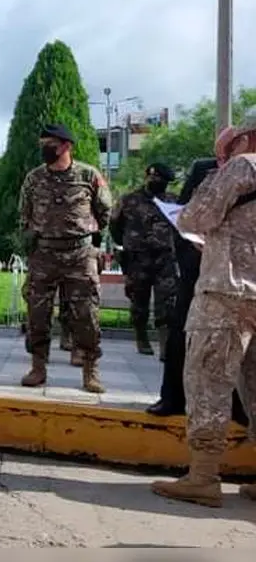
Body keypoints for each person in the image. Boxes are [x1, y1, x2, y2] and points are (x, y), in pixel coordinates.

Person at [151, 116, 256, 508]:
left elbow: (195, 217)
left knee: (209, 378)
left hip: (226, 292)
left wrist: (226, 165)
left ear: (244, 138)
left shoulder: (245, 165)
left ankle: (203, 476)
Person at [147, 158, 249, 423]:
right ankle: (172, 397)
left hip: (243, 271)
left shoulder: (247, 169)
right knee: (182, 330)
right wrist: (190, 248)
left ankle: (239, 408)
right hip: (199, 266)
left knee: (241, 346)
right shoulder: (203, 169)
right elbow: (183, 216)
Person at [19, 124, 111, 393]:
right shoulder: (34, 178)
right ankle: (38, 367)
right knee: (38, 313)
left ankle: (90, 370)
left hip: (79, 255)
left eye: (52, 144)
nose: (46, 149)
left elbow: (105, 211)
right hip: (44, 254)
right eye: (43, 143)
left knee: (86, 314)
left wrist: (93, 243)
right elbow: (24, 214)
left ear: (66, 146)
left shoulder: (88, 175)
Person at [109, 162, 179, 356]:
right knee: (138, 300)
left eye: (162, 180)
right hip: (137, 257)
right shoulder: (129, 200)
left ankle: (165, 344)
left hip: (165, 257)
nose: (157, 182)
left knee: (167, 302)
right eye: (154, 178)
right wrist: (127, 243)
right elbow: (115, 225)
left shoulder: (173, 200)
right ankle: (141, 338)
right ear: (147, 177)